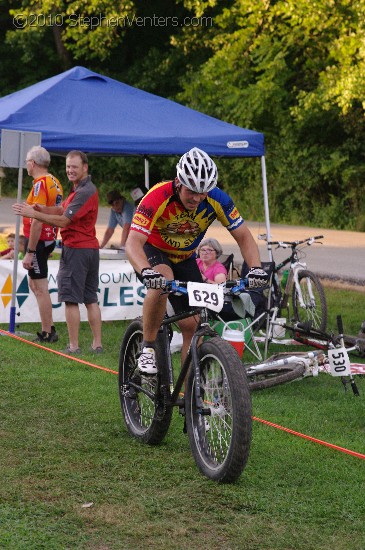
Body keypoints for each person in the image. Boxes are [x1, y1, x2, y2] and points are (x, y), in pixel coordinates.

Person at [125, 147, 268, 375]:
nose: (197, 197)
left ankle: (190, 394)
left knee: (192, 325)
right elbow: (132, 243)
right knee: (163, 280)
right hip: (153, 250)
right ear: (179, 182)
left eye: (203, 192)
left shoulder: (217, 199)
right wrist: (146, 271)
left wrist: (257, 270)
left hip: (185, 257)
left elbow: (244, 236)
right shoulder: (157, 195)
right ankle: (148, 348)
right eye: (192, 191)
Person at [13, 150, 102, 355]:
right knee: (90, 298)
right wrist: (41, 208)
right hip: (89, 248)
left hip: (77, 250)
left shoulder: (83, 191)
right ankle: (96, 344)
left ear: (85, 168)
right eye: (68, 166)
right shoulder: (77, 189)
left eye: (74, 167)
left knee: (70, 299)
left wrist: (34, 213)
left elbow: (64, 220)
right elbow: (62, 209)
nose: (70, 170)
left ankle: (73, 346)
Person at [23, 146, 63, 343]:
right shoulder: (54, 180)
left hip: (39, 240)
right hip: (47, 238)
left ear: (33, 163)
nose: (26, 166)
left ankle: (48, 332)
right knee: (34, 283)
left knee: (40, 287)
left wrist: (30, 251)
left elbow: (37, 219)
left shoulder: (40, 184)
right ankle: (49, 326)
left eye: (27, 162)